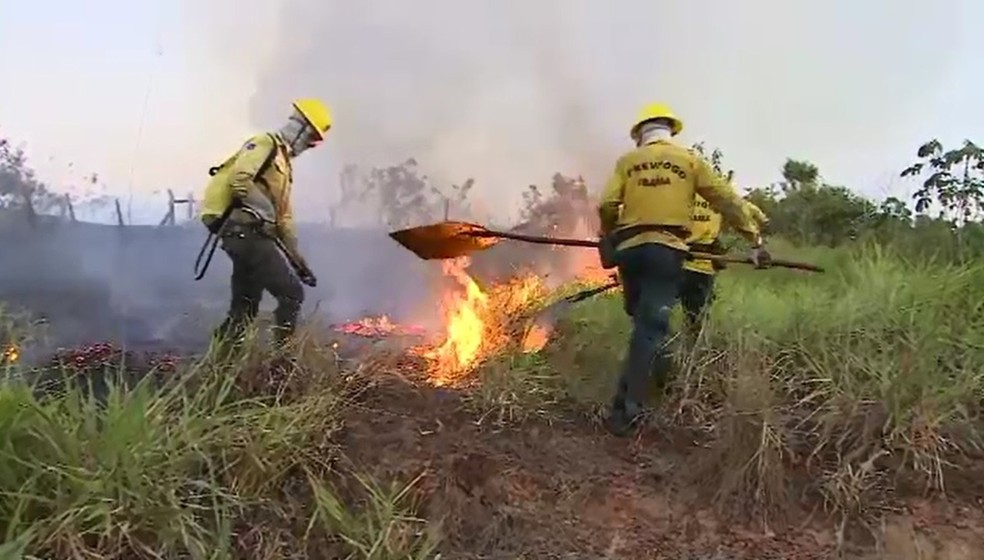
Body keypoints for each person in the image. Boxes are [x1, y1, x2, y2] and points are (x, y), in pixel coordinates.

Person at [597, 102, 770, 437]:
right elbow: (727, 201)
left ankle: (661, 377)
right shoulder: (689, 161)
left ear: (640, 136)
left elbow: (606, 205)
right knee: (651, 328)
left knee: (643, 322)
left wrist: (610, 233)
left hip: (630, 252)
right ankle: (625, 413)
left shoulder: (627, 162)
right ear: (670, 131)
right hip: (666, 251)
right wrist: (754, 240)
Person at [199, 98, 332, 350]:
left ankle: (221, 360)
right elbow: (240, 179)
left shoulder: (283, 166)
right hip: (243, 231)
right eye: (312, 138)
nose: (310, 146)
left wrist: (299, 264)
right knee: (291, 294)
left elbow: (284, 220)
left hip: (247, 235)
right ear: (301, 126)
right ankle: (282, 361)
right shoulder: (264, 143)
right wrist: (266, 213)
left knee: (246, 305)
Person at [679, 192, 770, 340]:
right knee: (696, 318)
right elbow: (757, 217)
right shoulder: (720, 195)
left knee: (659, 312)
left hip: (671, 258)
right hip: (700, 266)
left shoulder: (677, 190)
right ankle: (690, 352)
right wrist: (756, 243)